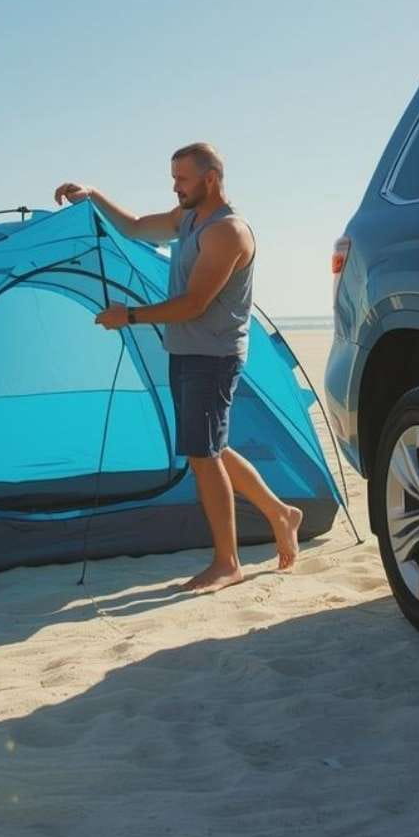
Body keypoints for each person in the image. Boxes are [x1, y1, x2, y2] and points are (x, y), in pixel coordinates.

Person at [53, 143, 303, 593]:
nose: (175, 187)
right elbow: (131, 227)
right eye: (173, 178)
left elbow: (194, 304)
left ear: (209, 179)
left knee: (203, 456)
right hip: (186, 351)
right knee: (210, 448)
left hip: (213, 356)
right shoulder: (187, 219)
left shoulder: (227, 232)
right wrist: (93, 195)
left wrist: (127, 315)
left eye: (182, 179)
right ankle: (282, 513)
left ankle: (228, 563)